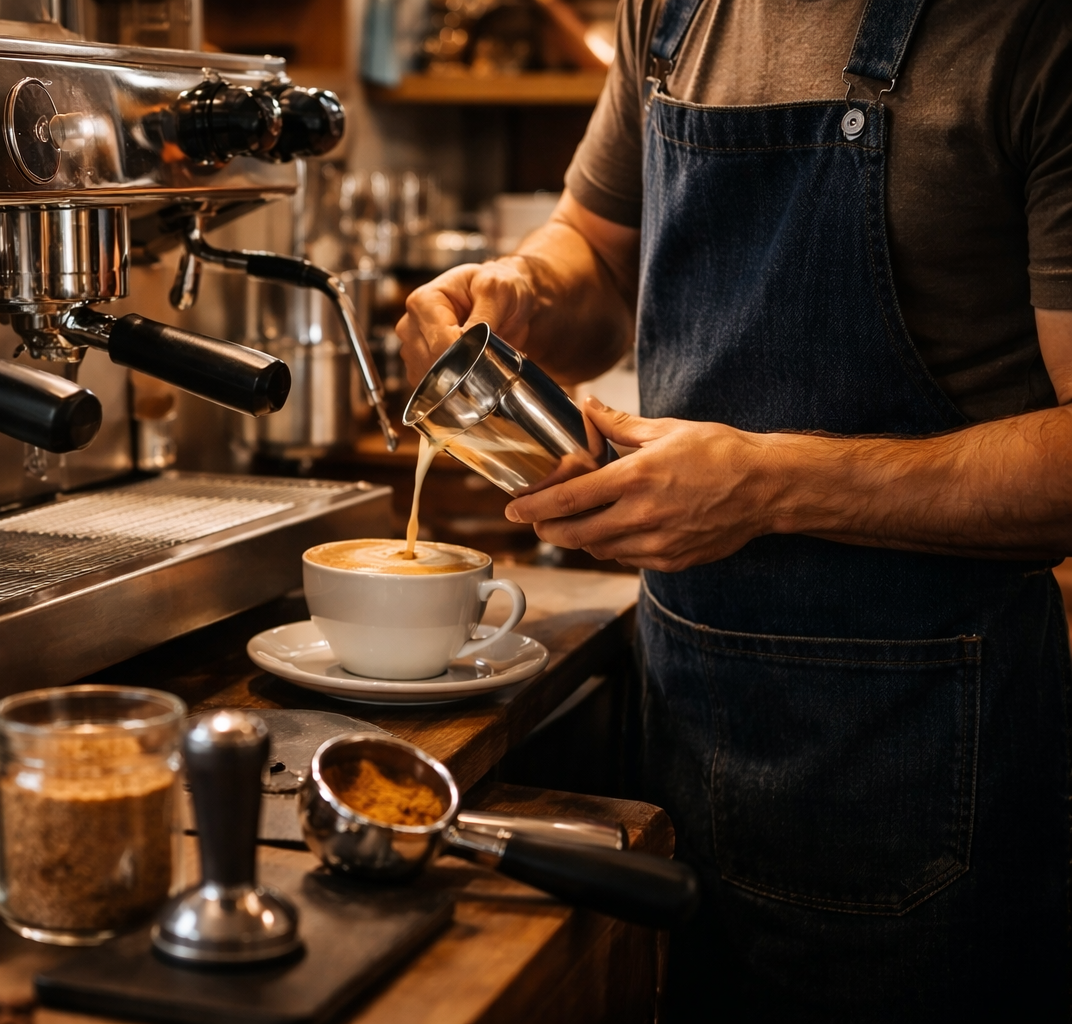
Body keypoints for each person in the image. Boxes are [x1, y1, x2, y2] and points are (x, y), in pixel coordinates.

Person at [395, 0, 1072, 1019]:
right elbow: (601, 253)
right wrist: (525, 288)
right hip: (687, 722)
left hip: (930, 771)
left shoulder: (1033, 32)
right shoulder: (672, 9)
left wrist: (772, 485)